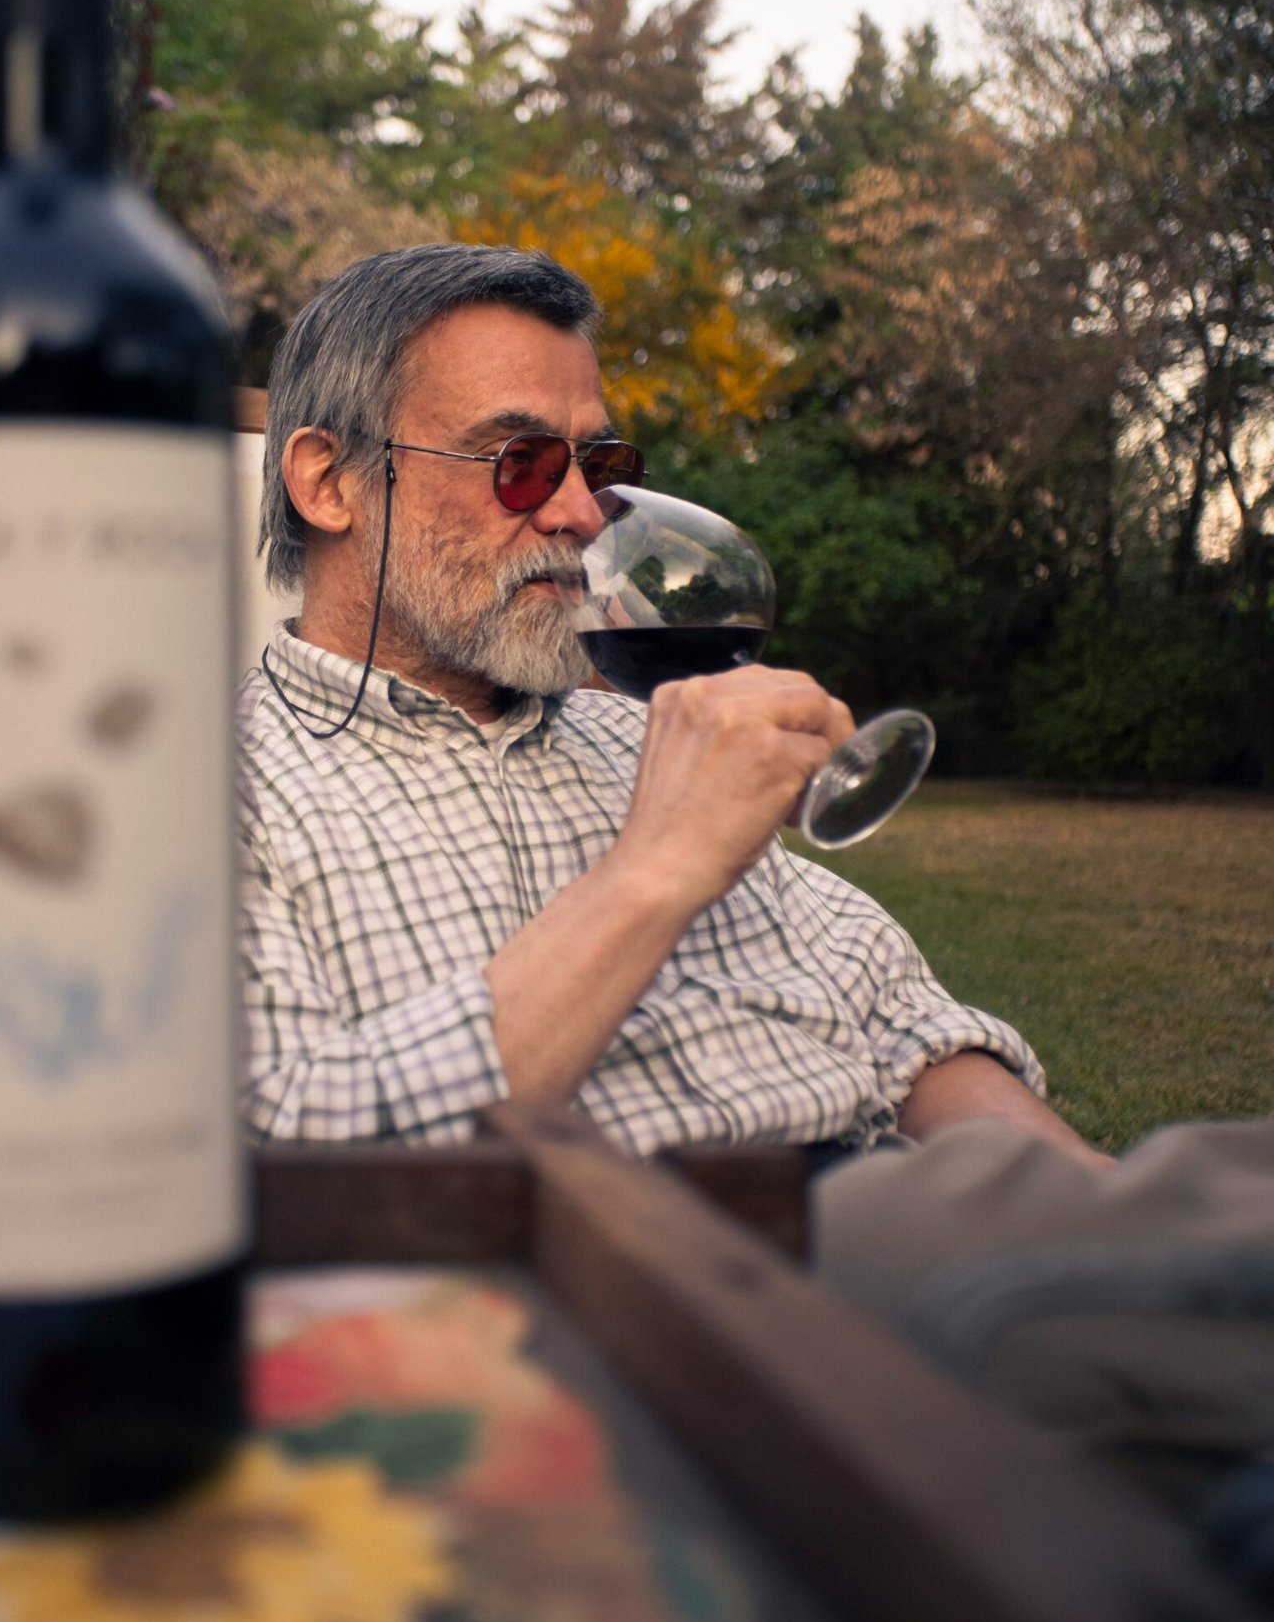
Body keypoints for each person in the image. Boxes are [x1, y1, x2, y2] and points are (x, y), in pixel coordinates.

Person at [236, 243, 1103, 1167]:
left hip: (911, 1198)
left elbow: (892, 1009)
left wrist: (1092, 1198)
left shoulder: (639, 735)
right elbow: (291, 1154)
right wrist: (652, 871)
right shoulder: (213, 792)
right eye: (517, 460)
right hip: (683, 1265)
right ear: (329, 483)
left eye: (598, 462)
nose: (581, 510)